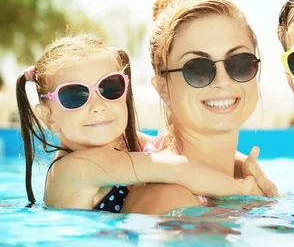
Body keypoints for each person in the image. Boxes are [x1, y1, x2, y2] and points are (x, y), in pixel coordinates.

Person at [17, 34, 265, 212]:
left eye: (109, 87)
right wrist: (242, 190)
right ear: (48, 117)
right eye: (74, 96)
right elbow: (176, 167)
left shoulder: (120, 144)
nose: (98, 105)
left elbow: (171, 143)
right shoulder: (75, 168)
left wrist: (243, 164)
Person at [123, 0, 279, 214]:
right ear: (163, 88)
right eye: (197, 69)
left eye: (239, 63)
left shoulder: (246, 179)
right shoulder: (170, 199)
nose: (223, 81)